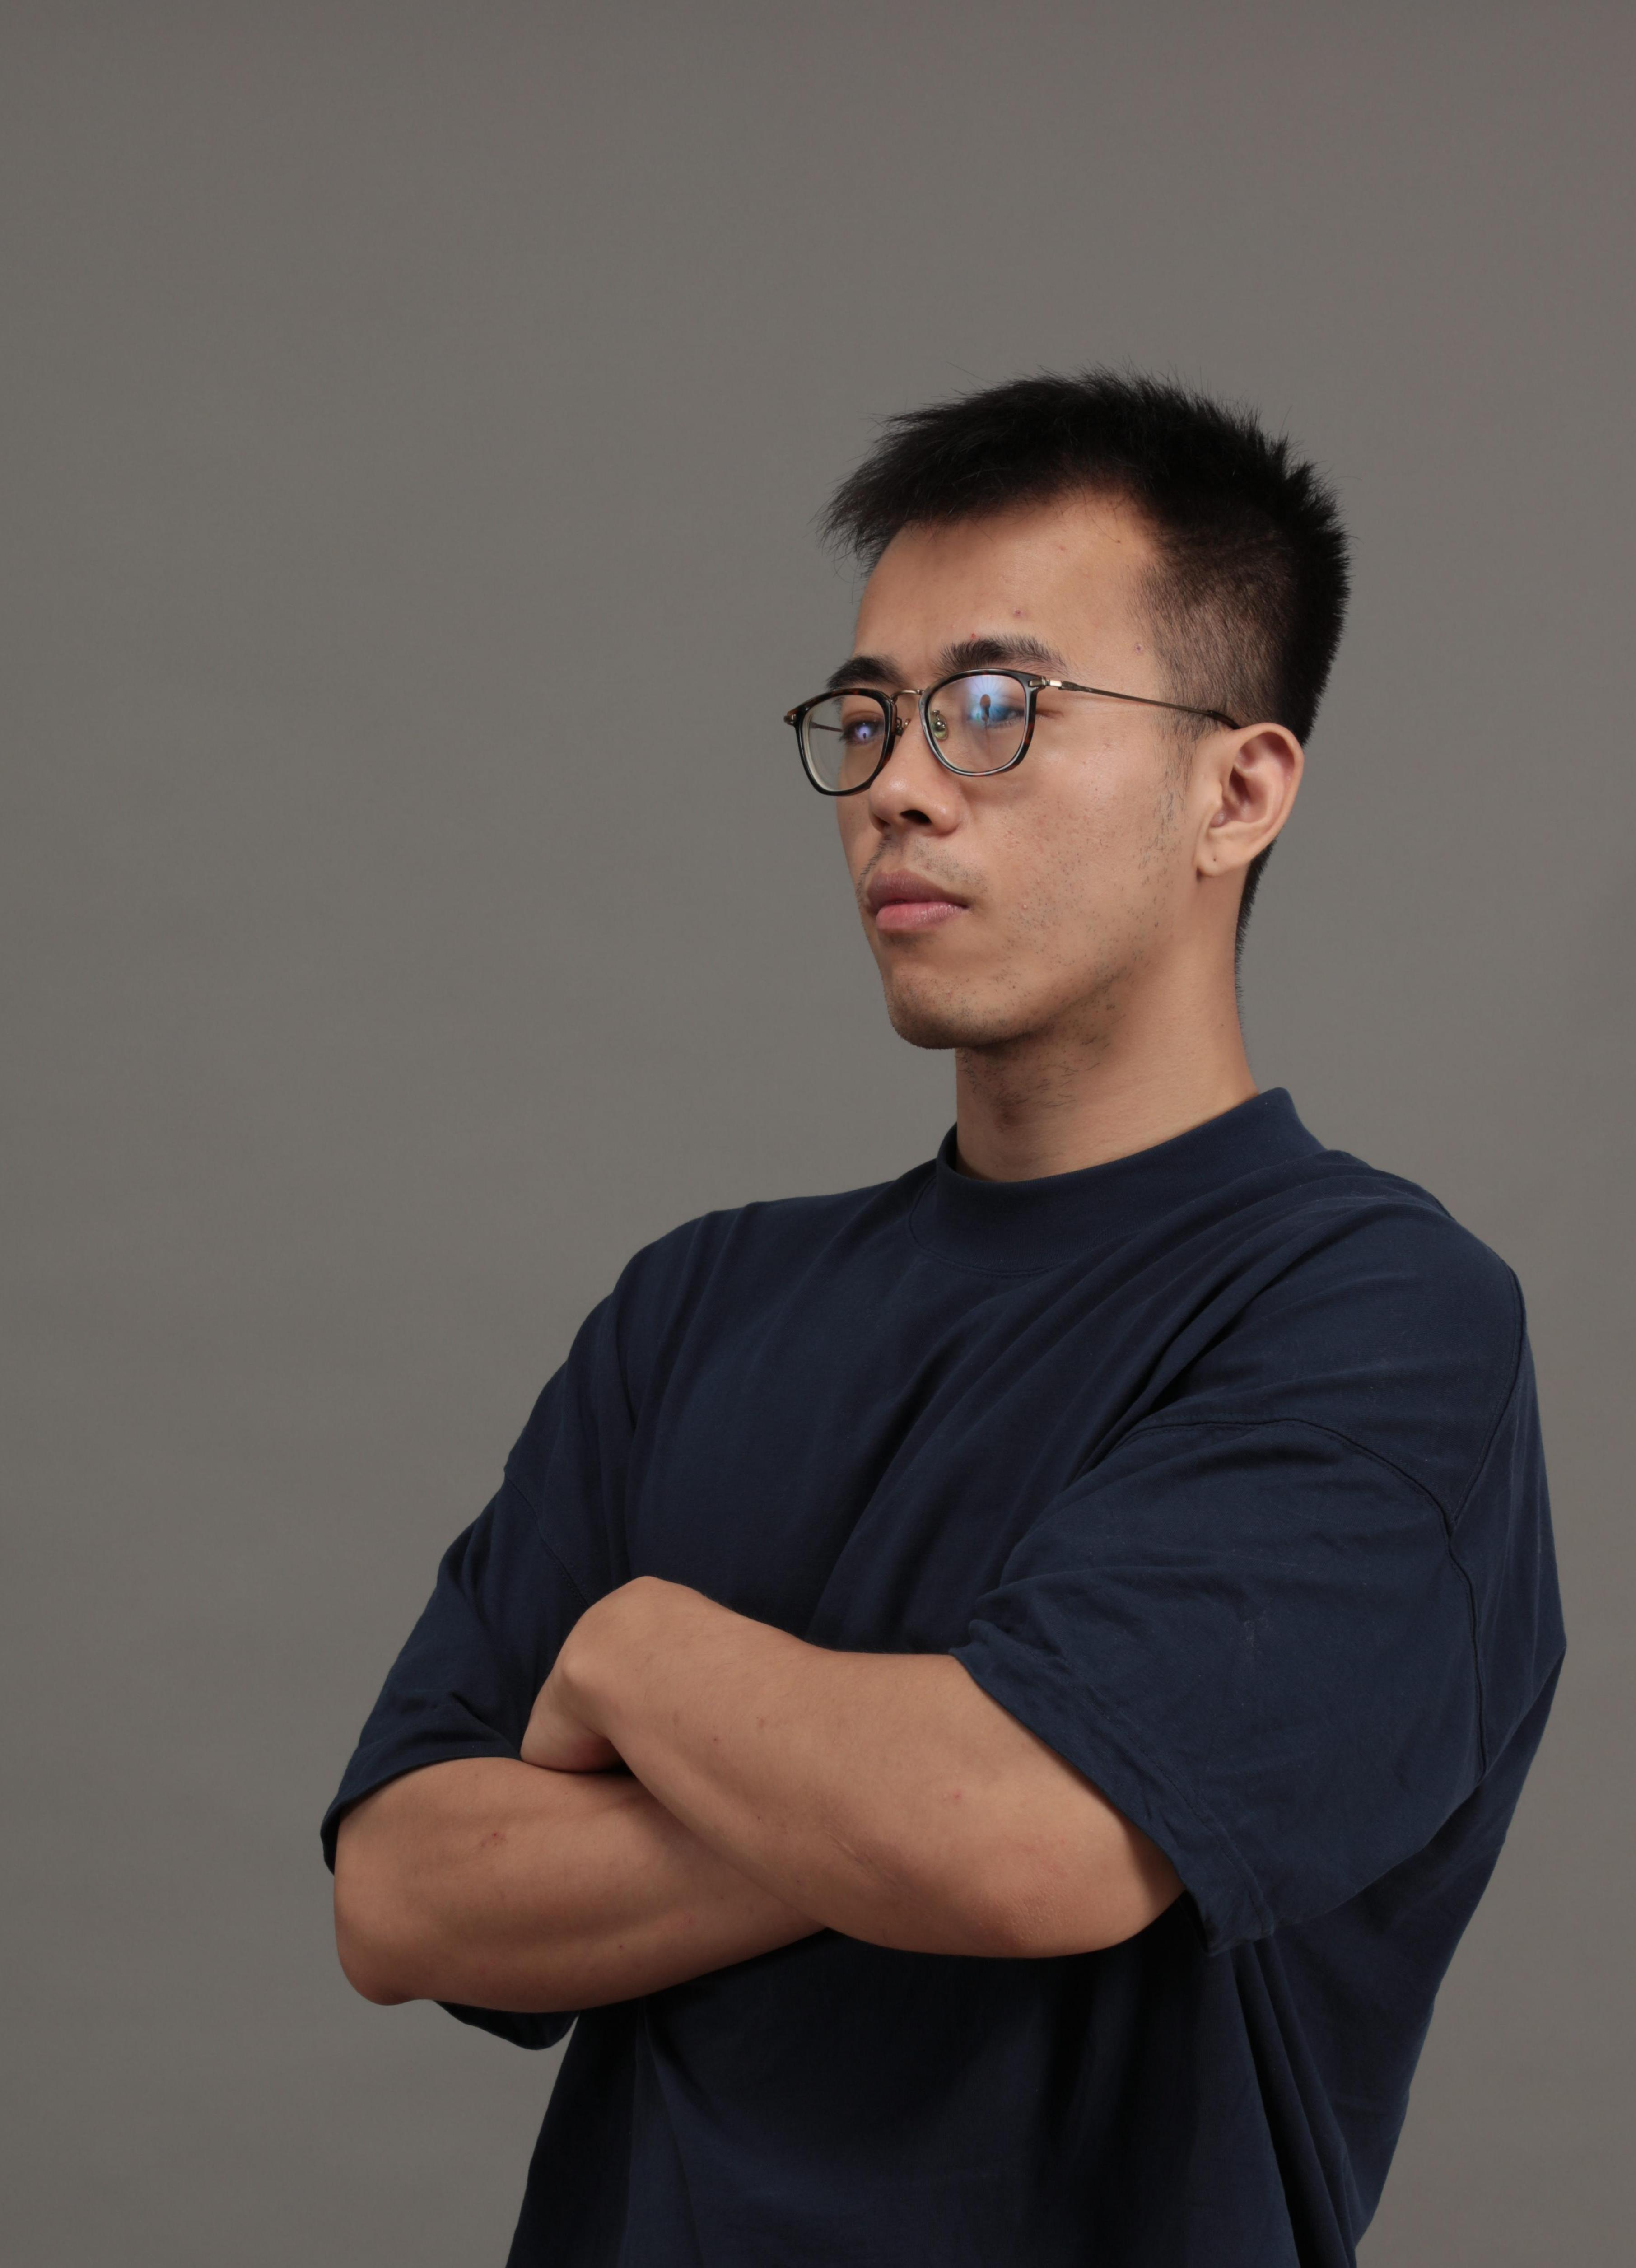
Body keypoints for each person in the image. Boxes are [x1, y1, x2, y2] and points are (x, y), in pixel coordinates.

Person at [323, 372, 1563, 2267]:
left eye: (994, 709)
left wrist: (643, 1658)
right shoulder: (695, 1305)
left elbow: (1022, 1840)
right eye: (867, 716)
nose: (899, 782)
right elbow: (404, 1894)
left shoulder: (1375, 1323)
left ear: (1236, 790)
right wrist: (900, 1792)